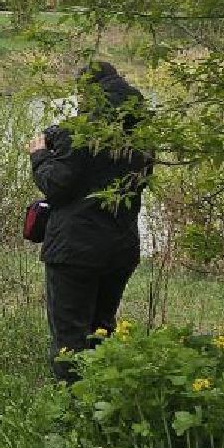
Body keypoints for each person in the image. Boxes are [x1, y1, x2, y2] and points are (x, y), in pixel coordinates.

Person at [27, 61, 155, 382]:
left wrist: (40, 155)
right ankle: (102, 398)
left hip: (74, 252)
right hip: (120, 248)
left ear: (88, 93)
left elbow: (57, 185)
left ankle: (72, 410)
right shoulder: (142, 134)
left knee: (69, 337)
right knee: (102, 330)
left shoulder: (82, 132)